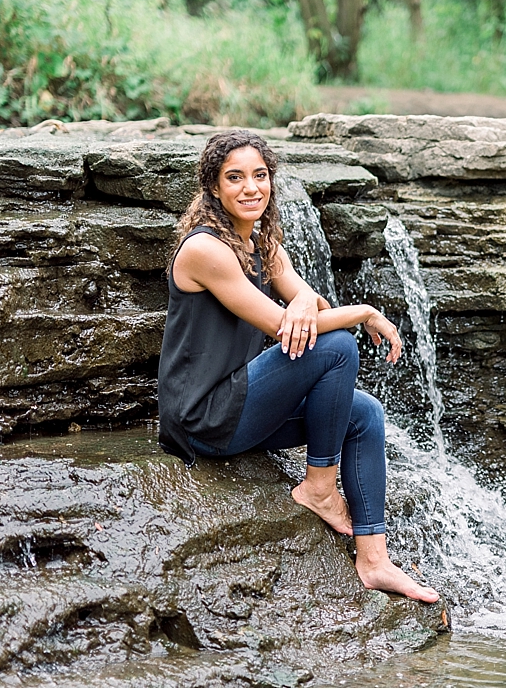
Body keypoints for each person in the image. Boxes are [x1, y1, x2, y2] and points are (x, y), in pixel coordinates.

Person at [158, 129, 439, 602]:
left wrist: (307, 300)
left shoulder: (263, 244)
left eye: (260, 176)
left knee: (365, 414)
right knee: (337, 346)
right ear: (213, 188)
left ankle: (374, 560)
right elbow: (284, 325)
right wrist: (364, 313)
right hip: (203, 417)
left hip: (243, 404)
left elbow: (305, 296)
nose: (251, 188)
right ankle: (319, 487)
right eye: (235, 178)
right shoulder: (205, 250)